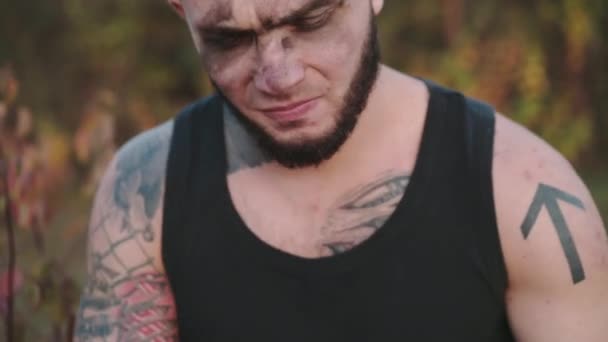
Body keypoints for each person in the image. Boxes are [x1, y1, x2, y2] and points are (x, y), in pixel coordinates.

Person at [74, 0, 608, 341]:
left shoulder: (526, 195)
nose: (278, 75)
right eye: (230, 40)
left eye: (310, 21)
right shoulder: (143, 192)